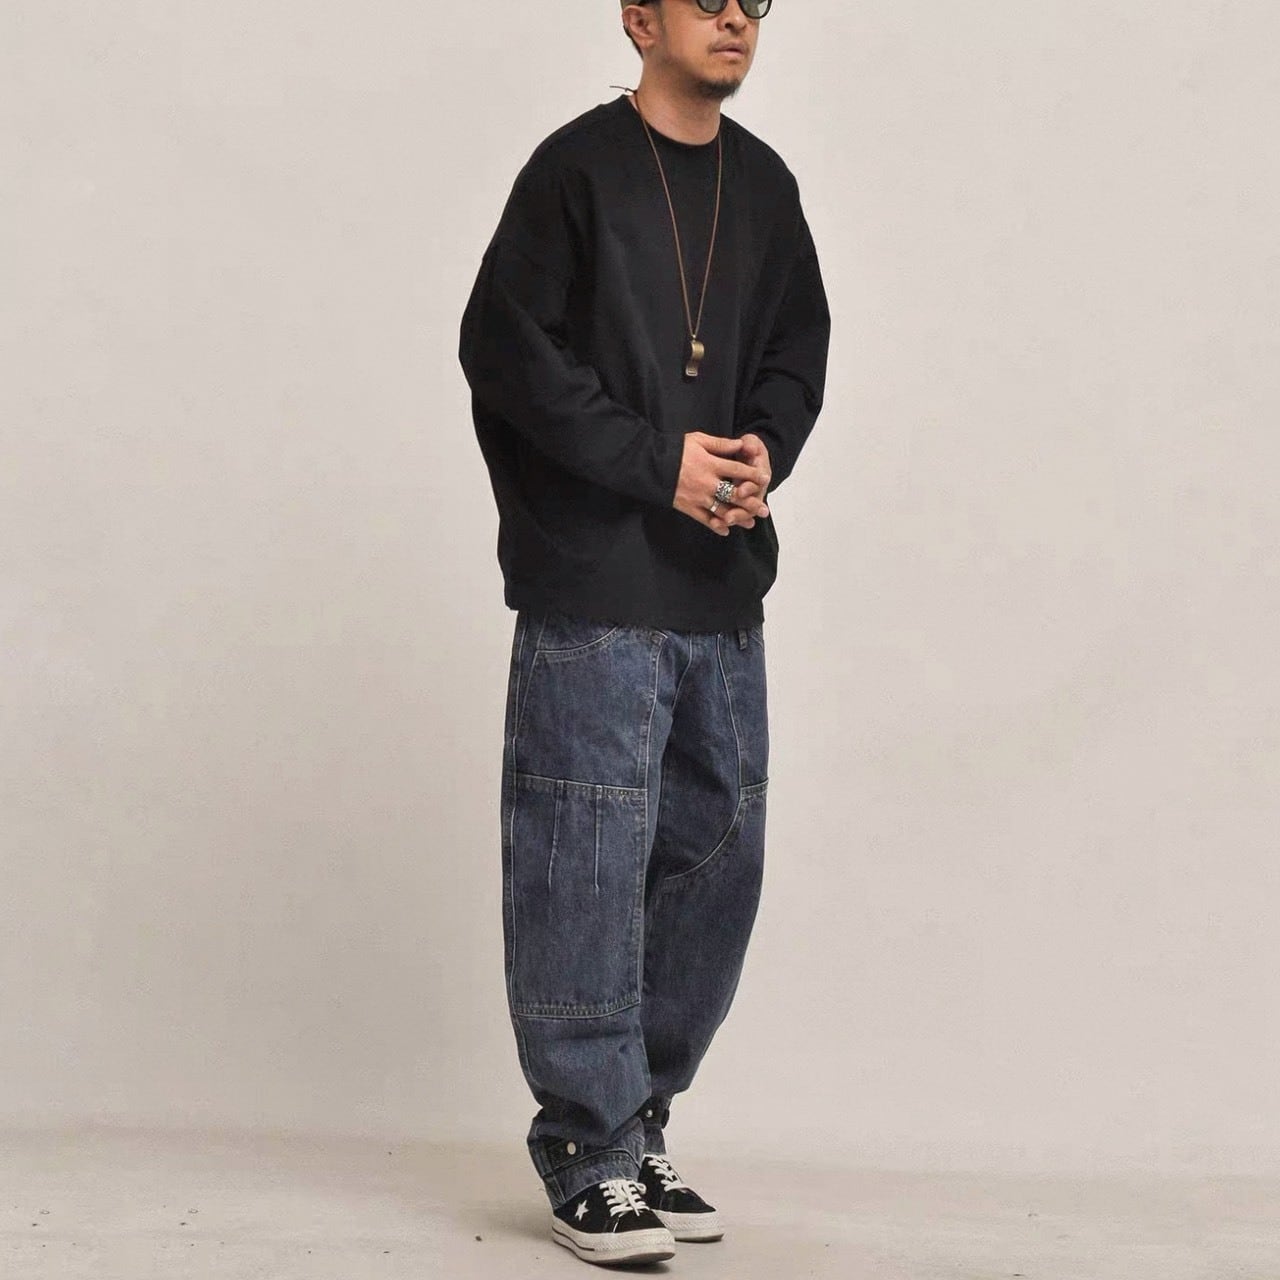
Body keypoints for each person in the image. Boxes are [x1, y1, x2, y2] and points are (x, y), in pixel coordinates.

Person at [458, 0, 829, 1265]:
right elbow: (506, 352)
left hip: (718, 582)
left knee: (713, 858)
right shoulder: (572, 170)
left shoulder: (764, 186)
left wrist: (763, 447)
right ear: (635, 17)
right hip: (593, 584)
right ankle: (584, 1142)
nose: (734, 15)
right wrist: (652, 461)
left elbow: (795, 350)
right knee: (584, 857)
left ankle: (638, 1120)